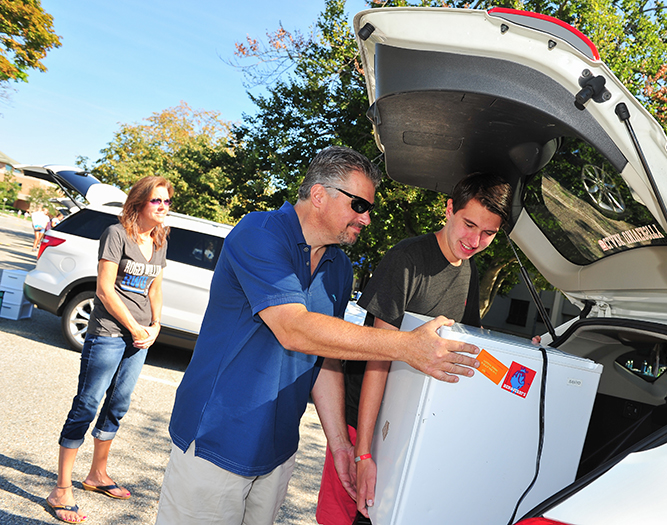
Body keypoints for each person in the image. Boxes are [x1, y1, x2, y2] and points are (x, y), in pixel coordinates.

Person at [155, 146, 480, 525]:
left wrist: (340, 443)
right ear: (319, 194)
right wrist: (408, 346)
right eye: (359, 205)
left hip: (277, 451)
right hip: (215, 442)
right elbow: (294, 329)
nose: (368, 218)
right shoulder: (258, 233)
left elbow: (325, 356)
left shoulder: (338, 267)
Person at [315, 172, 514, 525]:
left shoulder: (468, 270)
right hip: (361, 423)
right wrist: (362, 454)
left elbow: (466, 344)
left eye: (488, 233)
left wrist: (525, 354)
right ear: (449, 208)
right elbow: (380, 354)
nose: (474, 240)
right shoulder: (405, 259)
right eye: (469, 225)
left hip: (406, 427)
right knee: (340, 519)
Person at [46, 176, 173, 523]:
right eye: (156, 201)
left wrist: (155, 325)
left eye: (166, 202)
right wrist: (133, 327)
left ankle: (97, 475)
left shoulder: (160, 239)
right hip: (109, 332)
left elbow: (156, 288)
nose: (163, 207)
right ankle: (61, 489)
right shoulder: (117, 234)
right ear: (139, 203)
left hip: (140, 337)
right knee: (87, 403)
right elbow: (104, 289)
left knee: (118, 403)